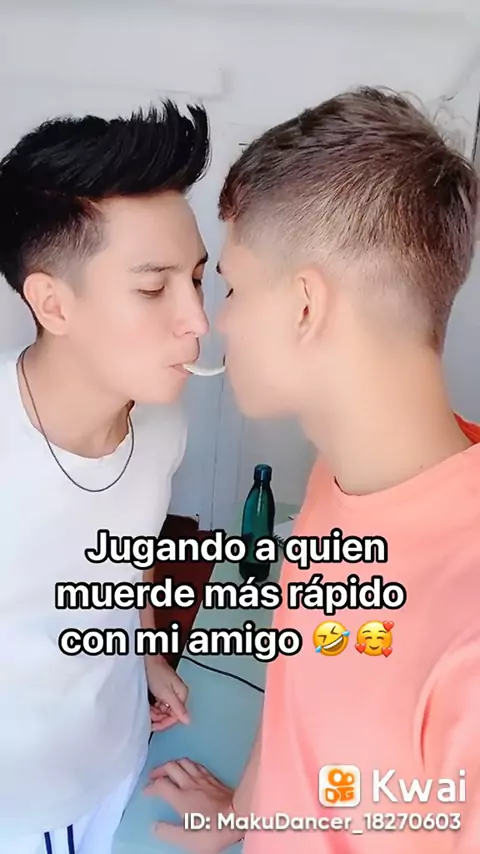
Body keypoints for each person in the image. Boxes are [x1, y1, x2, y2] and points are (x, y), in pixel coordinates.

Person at [147, 87, 480, 853]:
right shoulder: (345, 475)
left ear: (304, 306)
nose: (213, 321)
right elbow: (305, 683)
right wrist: (246, 814)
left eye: (232, 286)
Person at [0, 100, 211, 853]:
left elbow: (125, 555)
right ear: (53, 303)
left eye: (197, 279)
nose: (198, 320)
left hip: (123, 761)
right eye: (154, 289)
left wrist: (146, 651)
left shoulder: (163, 425)